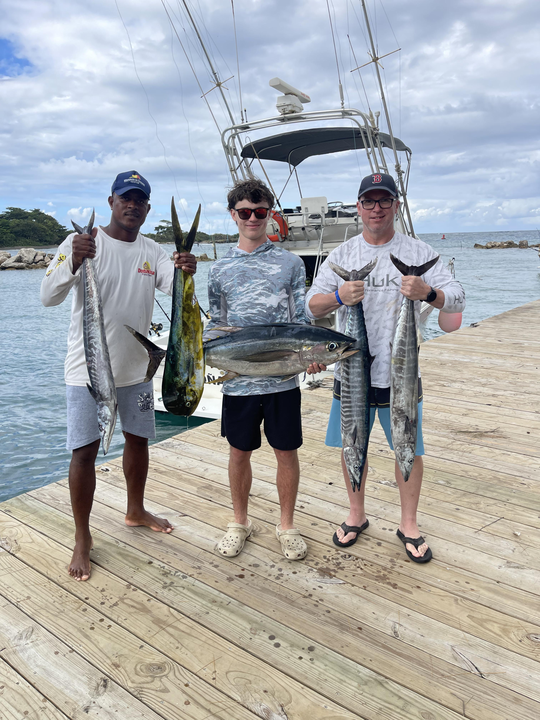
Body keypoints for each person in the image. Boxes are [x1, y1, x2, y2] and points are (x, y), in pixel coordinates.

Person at [41, 171, 197, 581]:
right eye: (125, 198)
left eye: (140, 200)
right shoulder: (83, 242)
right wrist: (74, 260)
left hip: (137, 371)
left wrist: (186, 269)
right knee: (84, 452)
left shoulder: (152, 251)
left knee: (139, 440)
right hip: (87, 373)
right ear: (111, 201)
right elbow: (47, 296)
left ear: (147, 208)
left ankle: (135, 509)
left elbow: (175, 287)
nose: (132, 205)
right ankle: (82, 536)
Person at [306, 172, 465, 562]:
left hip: (402, 376)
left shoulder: (418, 252)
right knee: (352, 443)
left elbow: (458, 298)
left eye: (384, 200)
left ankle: (408, 524)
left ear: (396, 204)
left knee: (408, 448)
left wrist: (428, 292)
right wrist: (339, 296)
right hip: (351, 373)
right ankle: (356, 515)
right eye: (369, 201)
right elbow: (311, 305)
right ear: (358, 207)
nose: (376, 208)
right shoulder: (342, 256)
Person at [206, 178, 315, 561]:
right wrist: (197, 354)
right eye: (245, 212)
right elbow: (215, 325)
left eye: (260, 211)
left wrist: (313, 354)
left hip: (284, 379)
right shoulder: (218, 270)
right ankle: (240, 522)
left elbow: (301, 320)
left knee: (286, 452)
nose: (252, 218)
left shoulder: (291, 263)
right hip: (238, 382)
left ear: (270, 214)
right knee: (239, 453)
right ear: (233, 215)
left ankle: (286, 525)